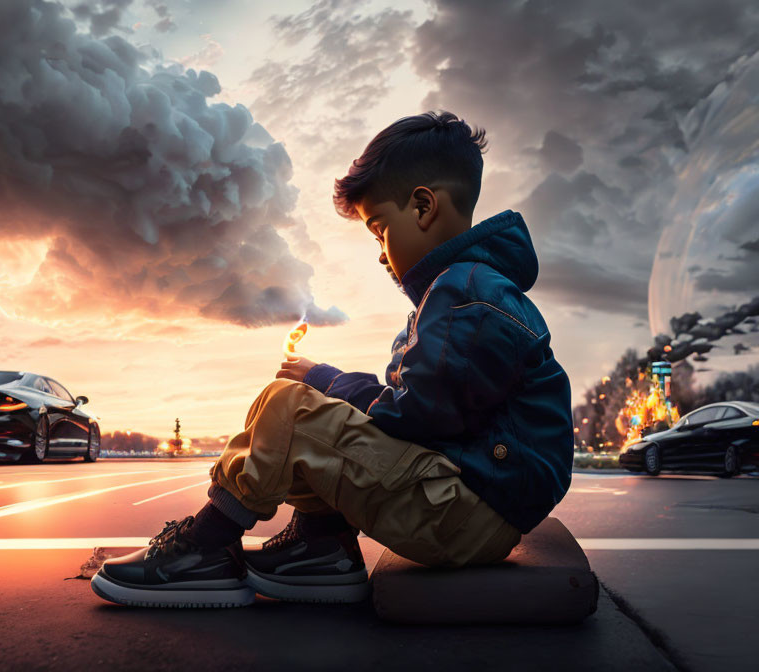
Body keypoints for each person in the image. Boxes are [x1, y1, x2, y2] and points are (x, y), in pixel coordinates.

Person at [90, 110, 575, 609]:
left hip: (467, 517)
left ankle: (205, 551)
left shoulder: (466, 294)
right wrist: (335, 391)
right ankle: (320, 547)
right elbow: (417, 415)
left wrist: (329, 382)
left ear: (424, 207)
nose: (382, 254)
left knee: (291, 409)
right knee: (310, 412)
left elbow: (416, 417)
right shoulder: (464, 291)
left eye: (379, 229)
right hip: (471, 504)